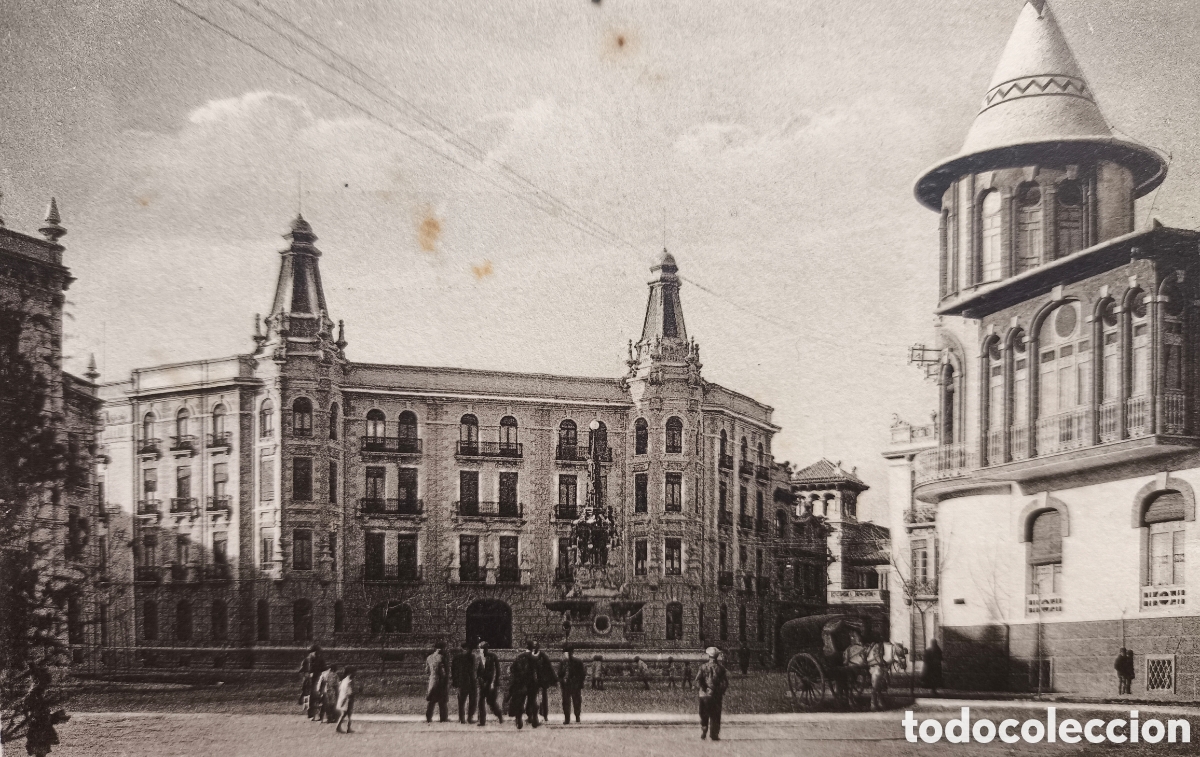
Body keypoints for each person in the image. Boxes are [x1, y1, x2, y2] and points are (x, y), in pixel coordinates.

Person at [23, 666, 69, 757]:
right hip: (38, 726)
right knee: (40, 751)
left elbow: (38, 711)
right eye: (45, 683)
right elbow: (33, 710)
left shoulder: (38, 693)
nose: (46, 686)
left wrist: (54, 716)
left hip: (41, 725)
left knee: (41, 751)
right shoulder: (34, 694)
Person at [695, 647, 728, 741]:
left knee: (704, 713)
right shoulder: (721, 668)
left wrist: (703, 688)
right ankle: (714, 734)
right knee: (715, 715)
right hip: (716, 695)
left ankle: (704, 727)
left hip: (703, 695)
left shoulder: (702, 667)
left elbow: (697, 680)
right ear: (717, 656)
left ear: (708, 655)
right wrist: (721, 691)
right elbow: (725, 683)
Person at [507, 640, 540, 729]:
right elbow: (538, 672)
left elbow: (512, 669)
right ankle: (534, 719)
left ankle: (519, 719)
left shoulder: (519, 657)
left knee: (520, 701)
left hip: (521, 683)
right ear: (532, 648)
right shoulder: (535, 658)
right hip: (532, 683)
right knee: (532, 701)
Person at [475, 641, 504, 726]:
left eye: (484, 648)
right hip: (481, 684)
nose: (483, 650)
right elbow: (477, 672)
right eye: (481, 648)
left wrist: (493, 683)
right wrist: (479, 681)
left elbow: (496, 671)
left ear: (487, 649)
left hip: (490, 683)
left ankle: (499, 716)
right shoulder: (478, 658)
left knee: (491, 703)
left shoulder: (492, 657)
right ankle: (482, 721)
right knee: (480, 702)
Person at [558, 646, 586, 724]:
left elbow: (582, 674)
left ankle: (577, 716)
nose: (567, 654)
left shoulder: (577, 662)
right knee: (566, 702)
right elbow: (559, 674)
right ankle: (567, 718)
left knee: (576, 701)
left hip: (574, 684)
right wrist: (562, 681)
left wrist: (579, 683)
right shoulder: (563, 662)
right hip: (566, 685)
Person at [452, 641, 478, 724]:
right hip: (467, 682)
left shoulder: (457, 658)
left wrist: (455, 682)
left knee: (465, 701)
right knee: (466, 701)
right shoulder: (471, 657)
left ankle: (464, 718)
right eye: (468, 649)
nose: (469, 651)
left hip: (465, 682)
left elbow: (453, 671)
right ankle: (466, 718)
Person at [531, 640, 557, 722]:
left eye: (536, 645)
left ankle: (545, 715)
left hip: (541, 681)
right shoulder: (529, 656)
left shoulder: (543, 656)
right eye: (533, 645)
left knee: (543, 699)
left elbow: (549, 668)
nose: (534, 647)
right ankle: (533, 716)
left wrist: (552, 679)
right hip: (532, 681)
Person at [299, 644, 327, 720]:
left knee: (319, 697)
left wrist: (322, 677)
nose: (317, 654)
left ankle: (319, 714)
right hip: (309, 682)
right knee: (309, 698)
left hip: (318, 680)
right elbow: (301, 671)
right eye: (315, 652)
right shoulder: (306, 660)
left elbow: (325, 670)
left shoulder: (321, 660)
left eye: (318, 652)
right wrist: (306, 676)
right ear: (311, 652)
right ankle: (310, 714)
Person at [426, 642, 450, 723]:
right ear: (441, 648)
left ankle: (428, 717)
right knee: (442, 701)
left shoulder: (429, 657)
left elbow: (427, 671)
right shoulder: (442, 658)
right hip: (440, 681)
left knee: (431, 701)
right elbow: (444, 671)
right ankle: (443, 718)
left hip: (432, 681)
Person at [335, 667, 357, 734]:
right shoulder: (349, 682)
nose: (355, 674)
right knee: (345, 714)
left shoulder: (344, 680)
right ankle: (339, 727)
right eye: (354, 672)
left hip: (343, 698)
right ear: (350, 673)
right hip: (347, 699)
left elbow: (340, 689)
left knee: (346, 714)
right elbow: (350, 692)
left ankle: (347, 728)